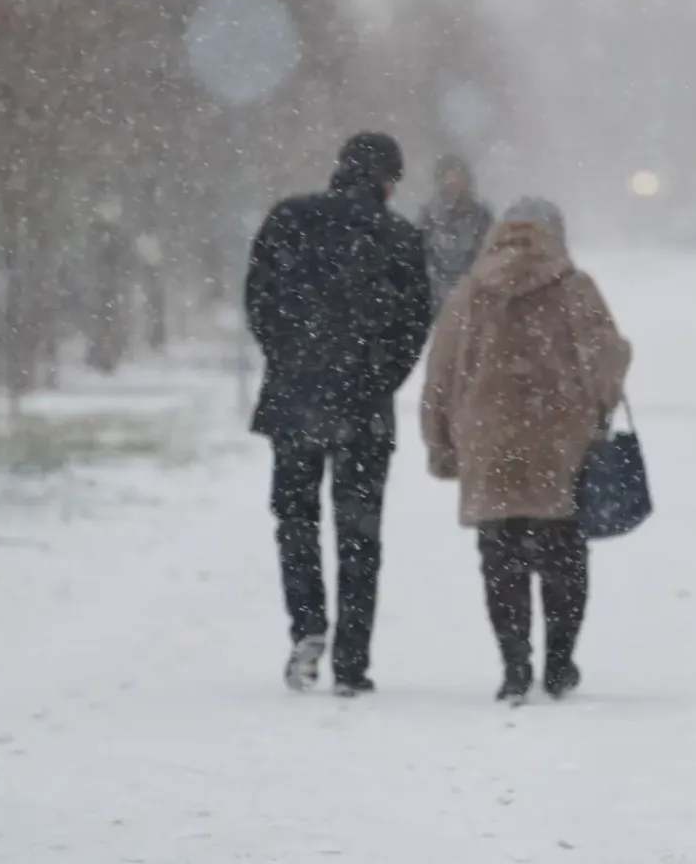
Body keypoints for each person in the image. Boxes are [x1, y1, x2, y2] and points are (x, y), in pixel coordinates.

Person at [419, 197, 631, 704]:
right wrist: (598, 408)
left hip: (489, 443)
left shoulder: (470, 293)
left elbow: (440, 377)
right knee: (564, 557)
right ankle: (559, 664)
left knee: (500, 557)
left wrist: (441, 444)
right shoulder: (574, 288)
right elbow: (607, 360)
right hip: (561, 443)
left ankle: (515, 665)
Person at [245, 131, 432, 696]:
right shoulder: (398, 237)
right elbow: (414, 326)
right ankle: (352, 659)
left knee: (296, 520)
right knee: (359, 533)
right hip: (364, 409)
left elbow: (259, 303)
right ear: (388, 180)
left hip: (295, 401)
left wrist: (290, 360)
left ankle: (307, 628)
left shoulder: (288, 219)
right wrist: (378, 379)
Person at [416, 153, 495, 317]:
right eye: (448, 176)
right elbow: (420, 256)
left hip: (472, 300)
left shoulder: (481, 216)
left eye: (458, 176)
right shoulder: (428, 216)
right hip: (434, 300)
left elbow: (488, 256)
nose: (453, 182)